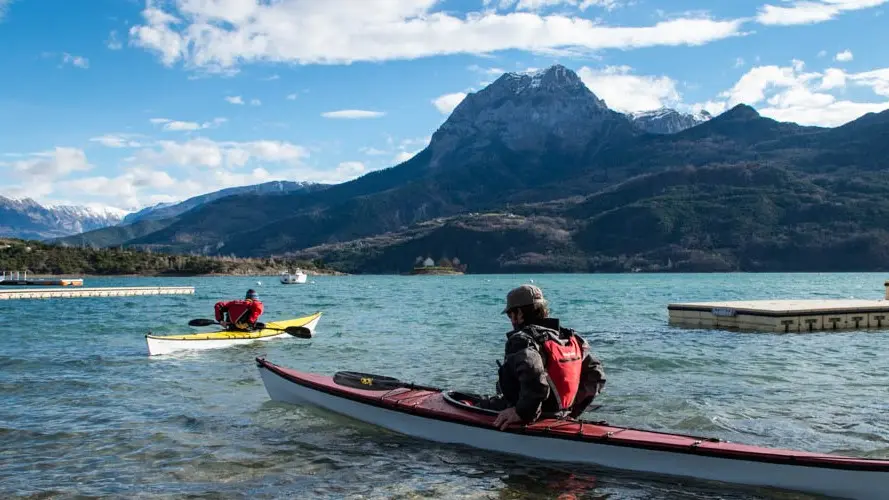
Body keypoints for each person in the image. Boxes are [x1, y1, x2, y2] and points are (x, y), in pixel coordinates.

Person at [481, 284, 606, 430]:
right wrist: (572, 411)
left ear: (520, 313)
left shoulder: (521, 340)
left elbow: (535, 378)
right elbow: (596, 374)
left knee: (477, 404)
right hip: (562, 414)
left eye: (510, 314)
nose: (511, 320)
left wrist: (521, 413)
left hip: (530, 415)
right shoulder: (569, 338)